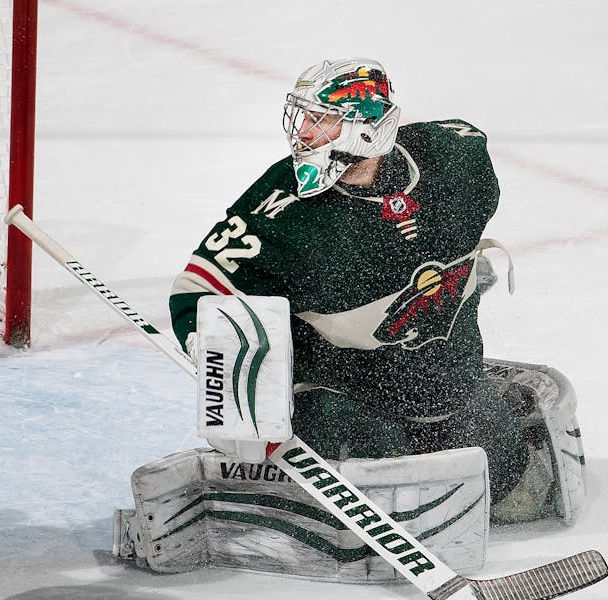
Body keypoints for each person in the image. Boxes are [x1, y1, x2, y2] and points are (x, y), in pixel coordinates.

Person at [167, 58, 540, 521]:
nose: (302, 132)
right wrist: (226, 364)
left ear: (363, 131)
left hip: (441, 384)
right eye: (304, 117)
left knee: (498, 463)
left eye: (319, 119)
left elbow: (461, 138)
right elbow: (195, 295)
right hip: (338, 393)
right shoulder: (282, 208)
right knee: (379, 470)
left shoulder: (455, 161)